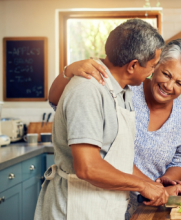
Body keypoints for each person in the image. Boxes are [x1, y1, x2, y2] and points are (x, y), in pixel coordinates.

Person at [49, 38, 181, 219]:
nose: (169, 86)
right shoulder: (126, 89)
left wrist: (162, 184)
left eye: (180, 83)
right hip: (101, 198)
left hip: (151, 202)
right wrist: (68, 71)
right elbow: (57, 100)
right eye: (167, 74)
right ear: (155, 65)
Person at [34, 19, 171, 220]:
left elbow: (116, 160)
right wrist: (143, 186)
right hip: (75, 210)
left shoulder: (122, 91)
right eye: (152, 66)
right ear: (133, 65)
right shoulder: (87, 90)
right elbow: (88, 167)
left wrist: (157, 188)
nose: (152, 72)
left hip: (102, 206)